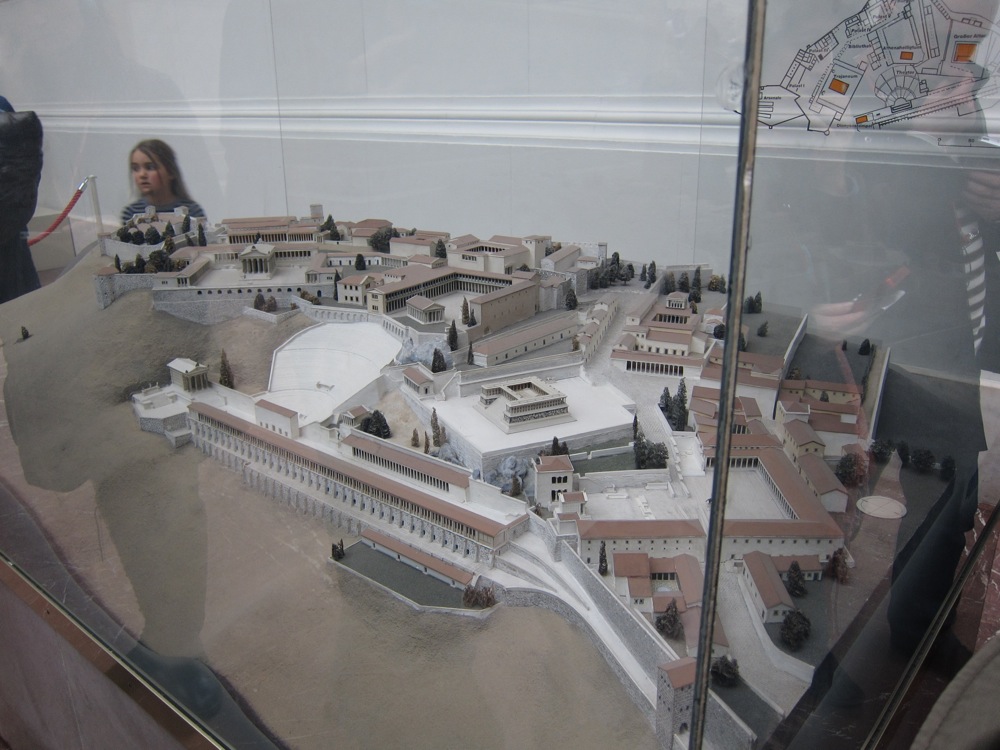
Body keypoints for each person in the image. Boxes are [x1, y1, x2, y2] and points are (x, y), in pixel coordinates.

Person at [120, 139, 205, 224]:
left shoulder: (192, 211)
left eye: (150, 167)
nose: (142, 175)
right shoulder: (131, 213)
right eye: (135, 168)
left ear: (170, 172)